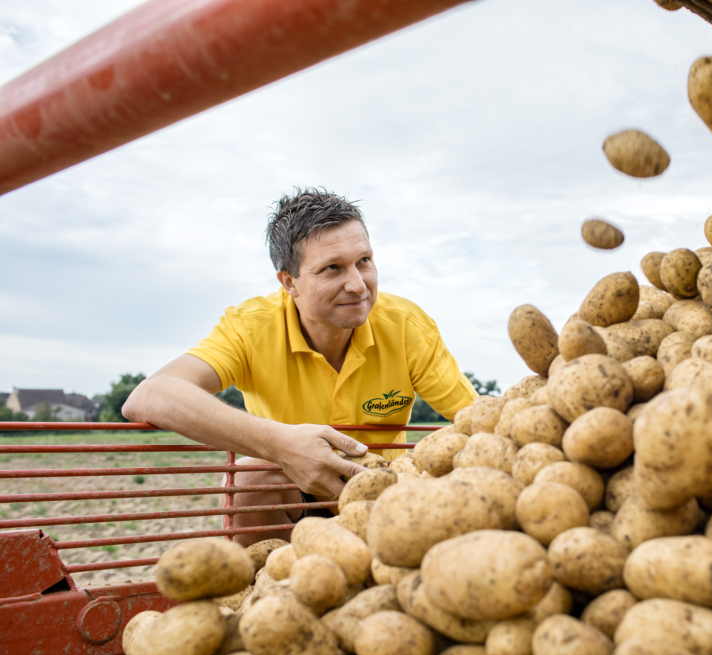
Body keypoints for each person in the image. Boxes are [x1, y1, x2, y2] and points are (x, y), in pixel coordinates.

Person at [123, 188, 477, 545]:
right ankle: (260, 591)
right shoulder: (250, 328)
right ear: (289, 282)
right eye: (332, 268)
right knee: (251, 478)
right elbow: (151, 395)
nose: (358, 285)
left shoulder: (406, 326)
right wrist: (281, 445)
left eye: (364, 261)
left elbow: (474, 421)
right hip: (297, 497)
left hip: (385, 497)